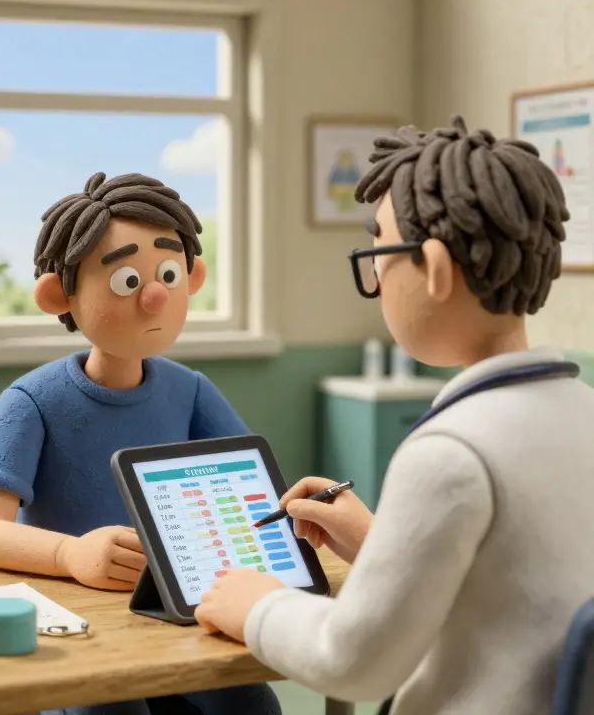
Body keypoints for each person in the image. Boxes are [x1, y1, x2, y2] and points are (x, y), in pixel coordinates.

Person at [194, 115, 594, 714]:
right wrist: (383, 543)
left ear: (431, 269)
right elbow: (513, 582)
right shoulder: (580, 411)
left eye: (379, 251)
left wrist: (257, 604)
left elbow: (352, 661)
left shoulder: (451, 452)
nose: (376, 277)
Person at [0, 173, 281, 715]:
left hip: (177, 616)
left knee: (252, 702)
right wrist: (70, 553)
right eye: (128, 280)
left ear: (192, 277)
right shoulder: (30, 401)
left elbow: (252, 483)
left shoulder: (190, 391)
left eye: (170, 273)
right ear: (59, 295)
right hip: (79, 628)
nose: (155, 297)